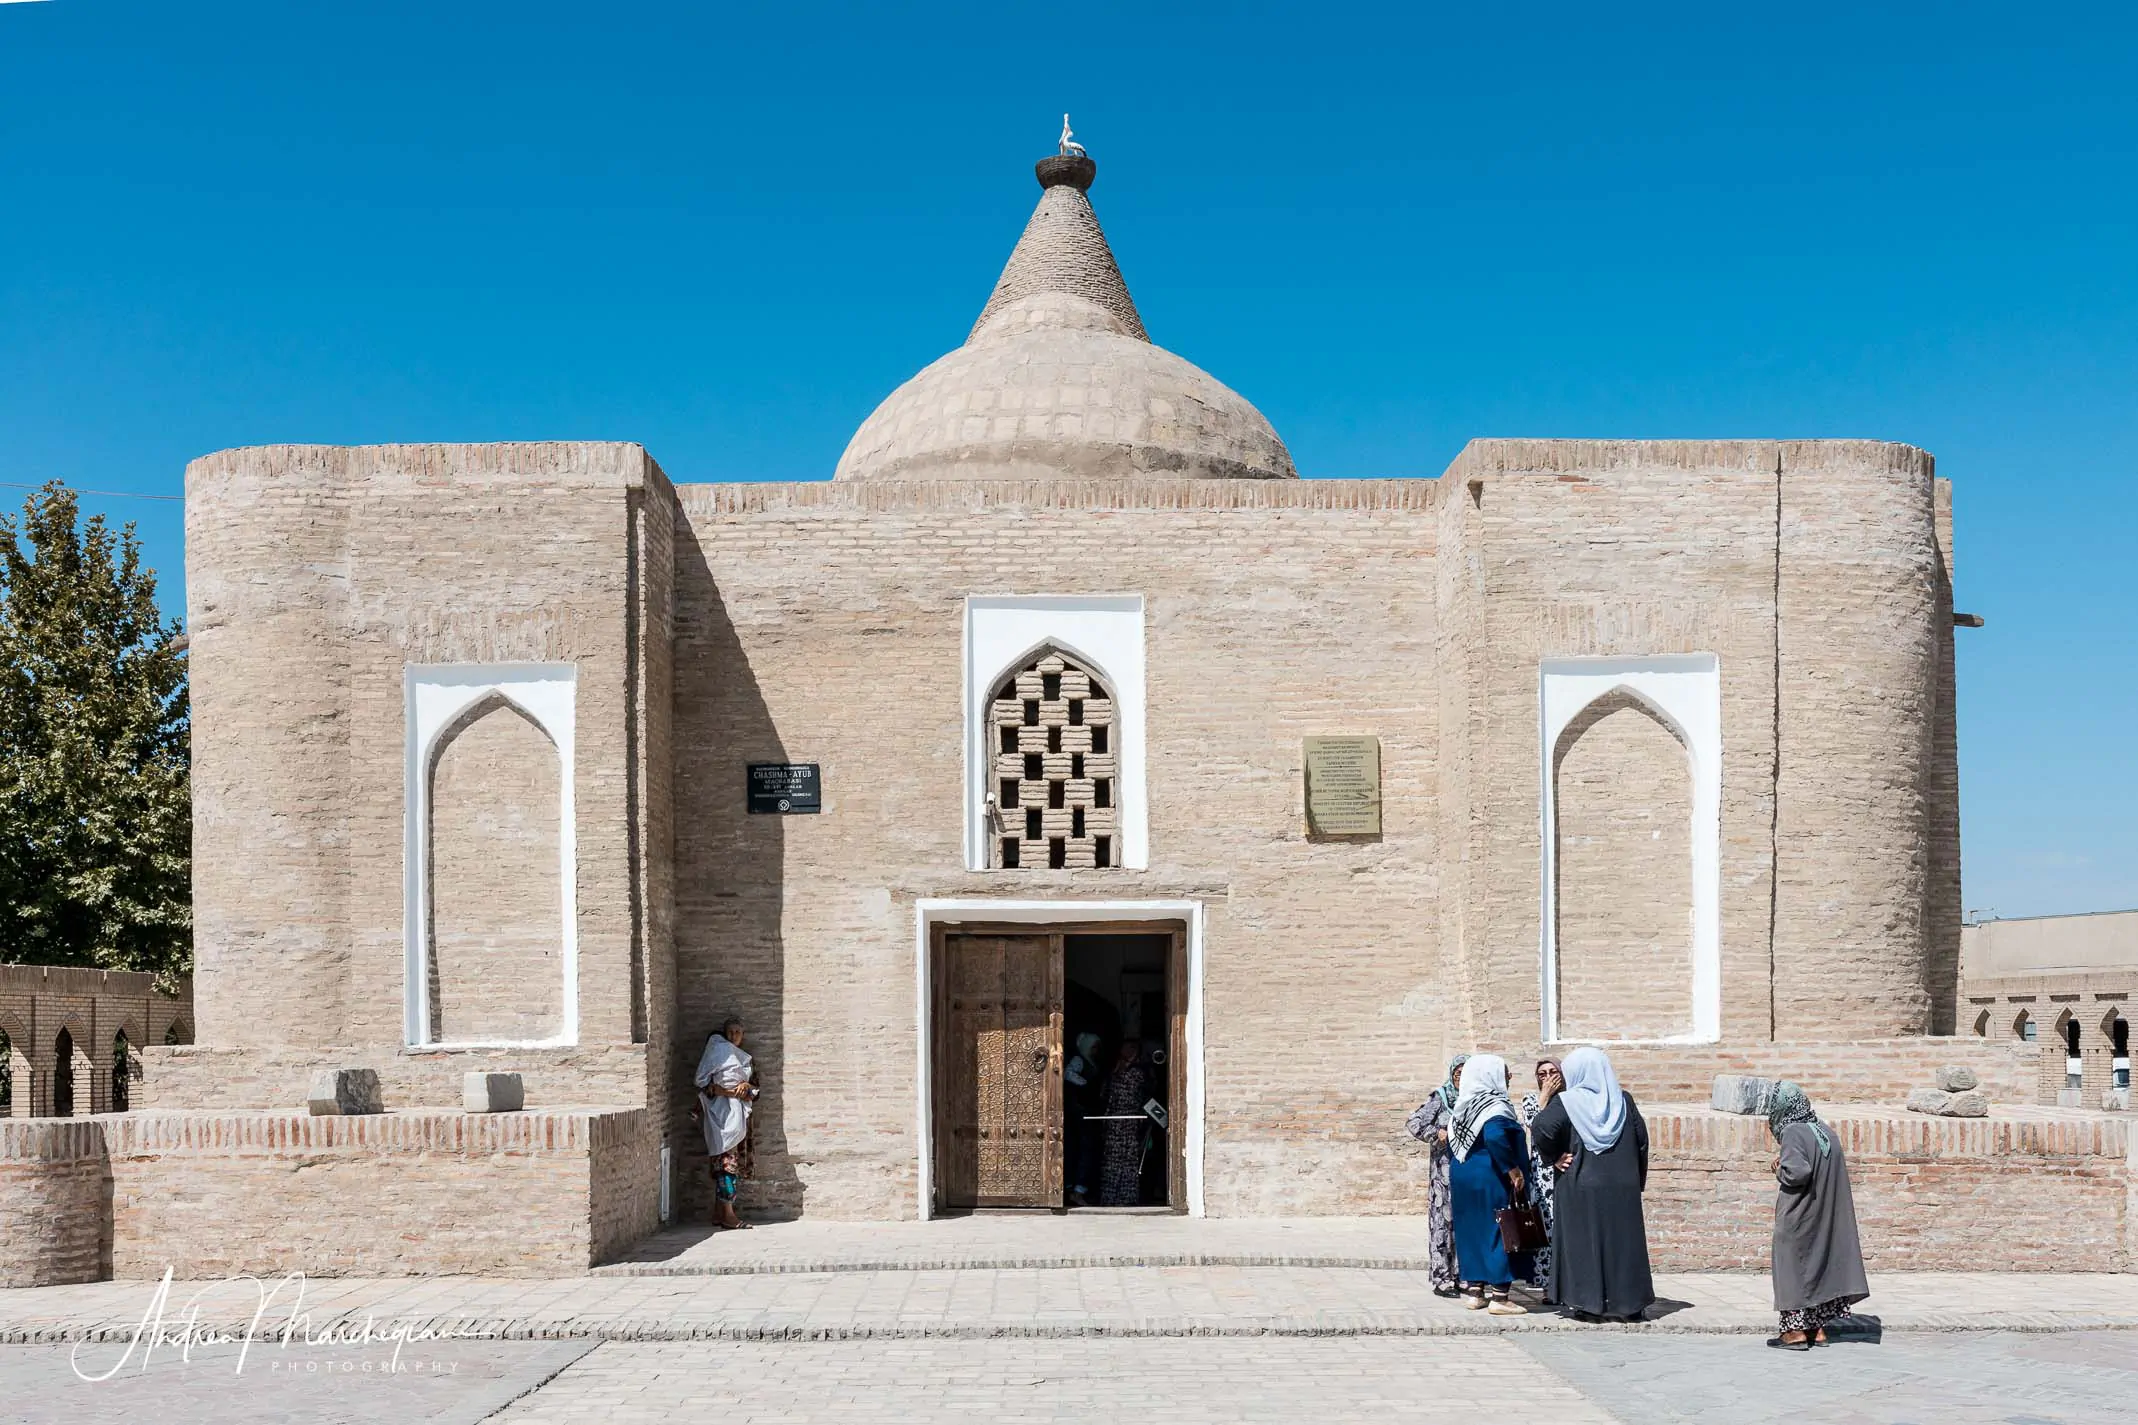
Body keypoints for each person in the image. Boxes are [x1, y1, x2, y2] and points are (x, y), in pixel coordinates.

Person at [1527, 1046, 1655, 1322]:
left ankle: (1589, 1305)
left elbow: (1541, 1128)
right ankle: (1631, 1306)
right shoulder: (1623, 1101)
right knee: (1624, 1245)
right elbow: (1642, 1140)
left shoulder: (1568, 1102)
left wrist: (1554, 1157)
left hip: (1580, 1185)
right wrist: (1635, 1179)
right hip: (1623, 1186)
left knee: (1585, 1244)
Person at [1767, 1081, 1869, 1349]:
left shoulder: (1793, 1131)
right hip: (1823, 1218)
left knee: (1792, 1271)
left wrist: (1779, 1168)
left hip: (1798, 1218)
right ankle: (1817, 1331)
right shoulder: (1825, 1130)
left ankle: (1794, 1333)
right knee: (1816, 1270)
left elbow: (1797, 1172)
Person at [1445, 1053, 1531, 1315]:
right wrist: (1513, 1169)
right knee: (1500, 1230)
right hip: (1491, 1177)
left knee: (1472, 1231)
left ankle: (1475, 1292)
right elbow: (1495, 1137)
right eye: (1504, 1071)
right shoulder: (1494, 1105)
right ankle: (1501, 1298)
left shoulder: (1464, 1106)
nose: (1509, 1077)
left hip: (1464, 1177)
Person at [1406, 1053, 1468, 1297]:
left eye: (1466, 1074)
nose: (1461, 1078)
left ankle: (1463, 1276)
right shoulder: (1440, 1098)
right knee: (1443, 1224)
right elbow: (1414, 1123)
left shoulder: (1474, 1099)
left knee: (1464, 1225)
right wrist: (1437, 1132)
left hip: (1466, 1171)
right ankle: (1442, 1278)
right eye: (1457, 1073)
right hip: (1443, 1175)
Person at [693, 1018, 758, 1230]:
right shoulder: (716, 1056)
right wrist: (728, 1091)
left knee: (728, 1165)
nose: (733, 1036)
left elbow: (756, 1092)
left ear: (743, 1034)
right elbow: (705, 1086)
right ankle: (729, 1215)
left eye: (738, 1032)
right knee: (725, 1166)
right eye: (730, 1032)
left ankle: (718, 1213)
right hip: (720, 1119)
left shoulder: (746, 1061)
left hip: (739, 1120)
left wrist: (746, 1087)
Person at [1517, 1059, 1564, 1302]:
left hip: (1563, 1173)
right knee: (1545, 1228)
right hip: (1540, 1173)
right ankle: (1546, 1285)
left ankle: (1564, 1284)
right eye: (1542, 1073)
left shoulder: (1568, 1099)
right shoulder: (1531, 1100)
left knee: (1563, 1229)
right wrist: (1543, 1096)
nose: (1547, 1076)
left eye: (1553, 1072)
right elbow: (1534, 1125)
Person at [1098, 1039, 1152, 1206]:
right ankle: (1119, 1197)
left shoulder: (1124, 1072)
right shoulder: (1128, 1071)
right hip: (1123, 1121)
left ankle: (1116, 1197)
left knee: (1118, 1161)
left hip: (1119, 1121)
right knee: (1121, 1161)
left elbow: (1111, 1096)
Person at [1064, 1031, 1105, 1206]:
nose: (1096, 1050)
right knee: (1083, 1149)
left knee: (1085, 1149)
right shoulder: (1079, 1061)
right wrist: (1087, 1086)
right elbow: (1067, 1074)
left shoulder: (1090, 1062)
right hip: (1080, 1112)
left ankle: (1078, 1189)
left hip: (1088, 1111)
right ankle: (1075, 1190)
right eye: (1094, 1046)